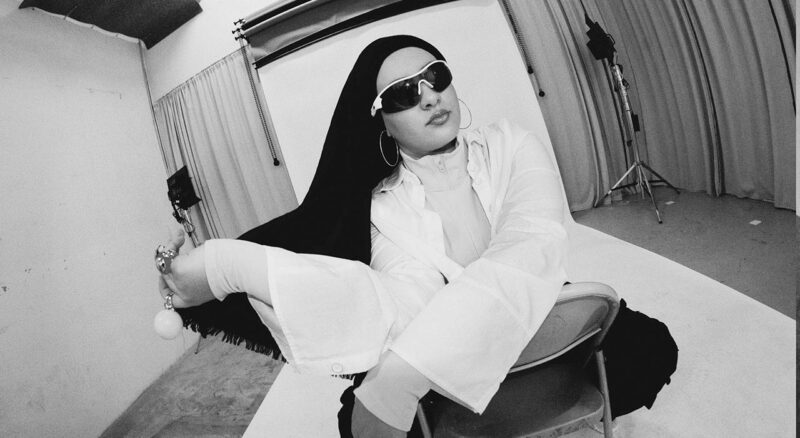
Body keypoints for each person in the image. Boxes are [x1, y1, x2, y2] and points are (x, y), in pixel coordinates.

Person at [155, 35, 674, 437]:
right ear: (381, 121)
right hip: (447, 342)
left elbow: (532, 241)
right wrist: (230, 264)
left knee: (649, 349)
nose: (429, 97)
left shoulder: (512, 145)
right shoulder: (381, 206)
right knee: (353, 422)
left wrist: (399, 379)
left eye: (436, 76)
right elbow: (398, 304)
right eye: (404, 93)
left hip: (537, 312)